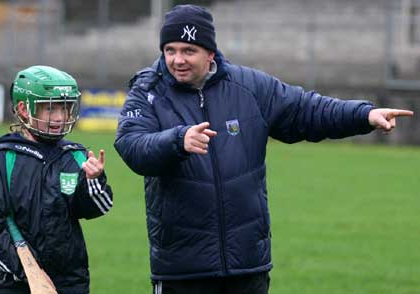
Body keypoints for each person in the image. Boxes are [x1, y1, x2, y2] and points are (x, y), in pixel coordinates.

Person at [114, 4, 413, 294]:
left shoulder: (250, 87)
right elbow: (131, 145)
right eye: (170, 50)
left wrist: (363, 115)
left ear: (210, 52)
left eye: (188, 51)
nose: (178, 60)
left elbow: (306, 110)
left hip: (247, 265)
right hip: (182, 267)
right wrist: (177, 141)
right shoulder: (148, 92)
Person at [0, 65, 113, 294]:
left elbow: (96, 208)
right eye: (49, 108)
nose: (59, 117)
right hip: (12, 284)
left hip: (68, 283)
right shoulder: (3, 157)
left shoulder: (75, 155)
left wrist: (94, 181)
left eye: (65, 108)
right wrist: (26, 270)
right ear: (23, 109)